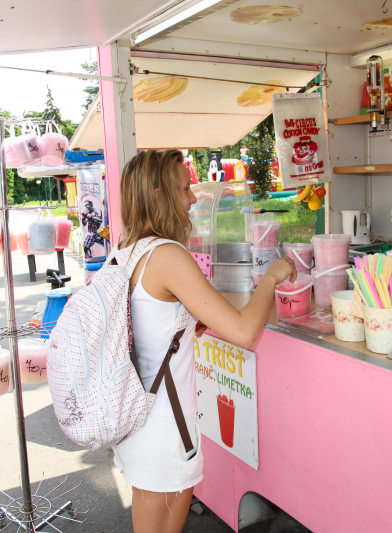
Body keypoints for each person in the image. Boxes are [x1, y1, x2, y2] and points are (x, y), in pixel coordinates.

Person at [113, 149, 296, 533]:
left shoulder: (126, 250)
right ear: (160, 193)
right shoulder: (167, 255)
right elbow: (245, 331)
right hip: (164, 425)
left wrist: (182, 325)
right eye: (184, 188)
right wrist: (270, 277)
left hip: (134, 418)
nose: (193, 198)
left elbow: (145, 322)